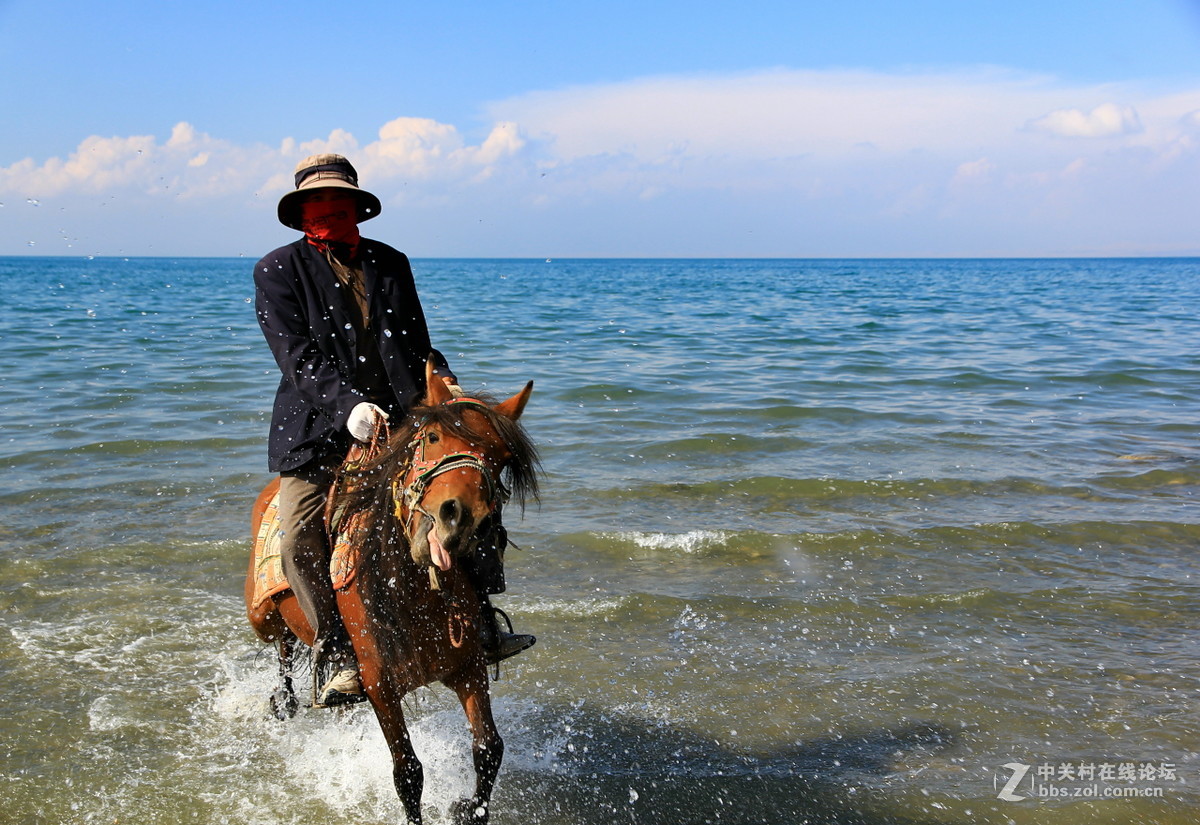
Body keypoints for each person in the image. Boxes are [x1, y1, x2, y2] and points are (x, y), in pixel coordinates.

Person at [253, 153, 534, 707]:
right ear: (301, 210)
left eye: (338, 202)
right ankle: (335, 648)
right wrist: (349, 407)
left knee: (471, 494)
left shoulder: (391, 263)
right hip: (315, 429)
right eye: (317, 202)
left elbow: (417, 340)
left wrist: (443, 380)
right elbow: (297, 358)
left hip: (402, 420)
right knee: (299, 533)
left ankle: (482, 621)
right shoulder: (276, 270)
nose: (328, 211)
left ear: (357, 206)